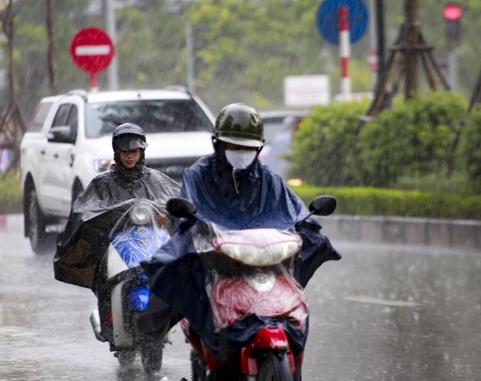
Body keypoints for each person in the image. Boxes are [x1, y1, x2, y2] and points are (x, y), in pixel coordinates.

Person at [143, 103, 341, 375]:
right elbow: (188, 217)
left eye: (247, 149)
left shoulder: (269, 180)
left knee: (296, 304)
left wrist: (307, 226)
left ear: (258, 149)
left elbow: (295, 212)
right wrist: (196, 230)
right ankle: (152, 334)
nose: (241, 154)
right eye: (234, 147)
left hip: (262, 261)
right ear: (218, 145)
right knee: (169, 268)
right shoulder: (199, 175)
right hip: (218, 260)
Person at [53, 123, 180, 337]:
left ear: (141, 152)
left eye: (134, 151)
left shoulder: (157, 181)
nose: (129, 156)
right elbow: (85, 213)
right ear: (117, 153)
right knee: (104, 275)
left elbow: (178, 205)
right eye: (125, 152)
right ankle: (108, 323)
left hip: (152, 244)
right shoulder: (102, 184)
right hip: (116, 247)